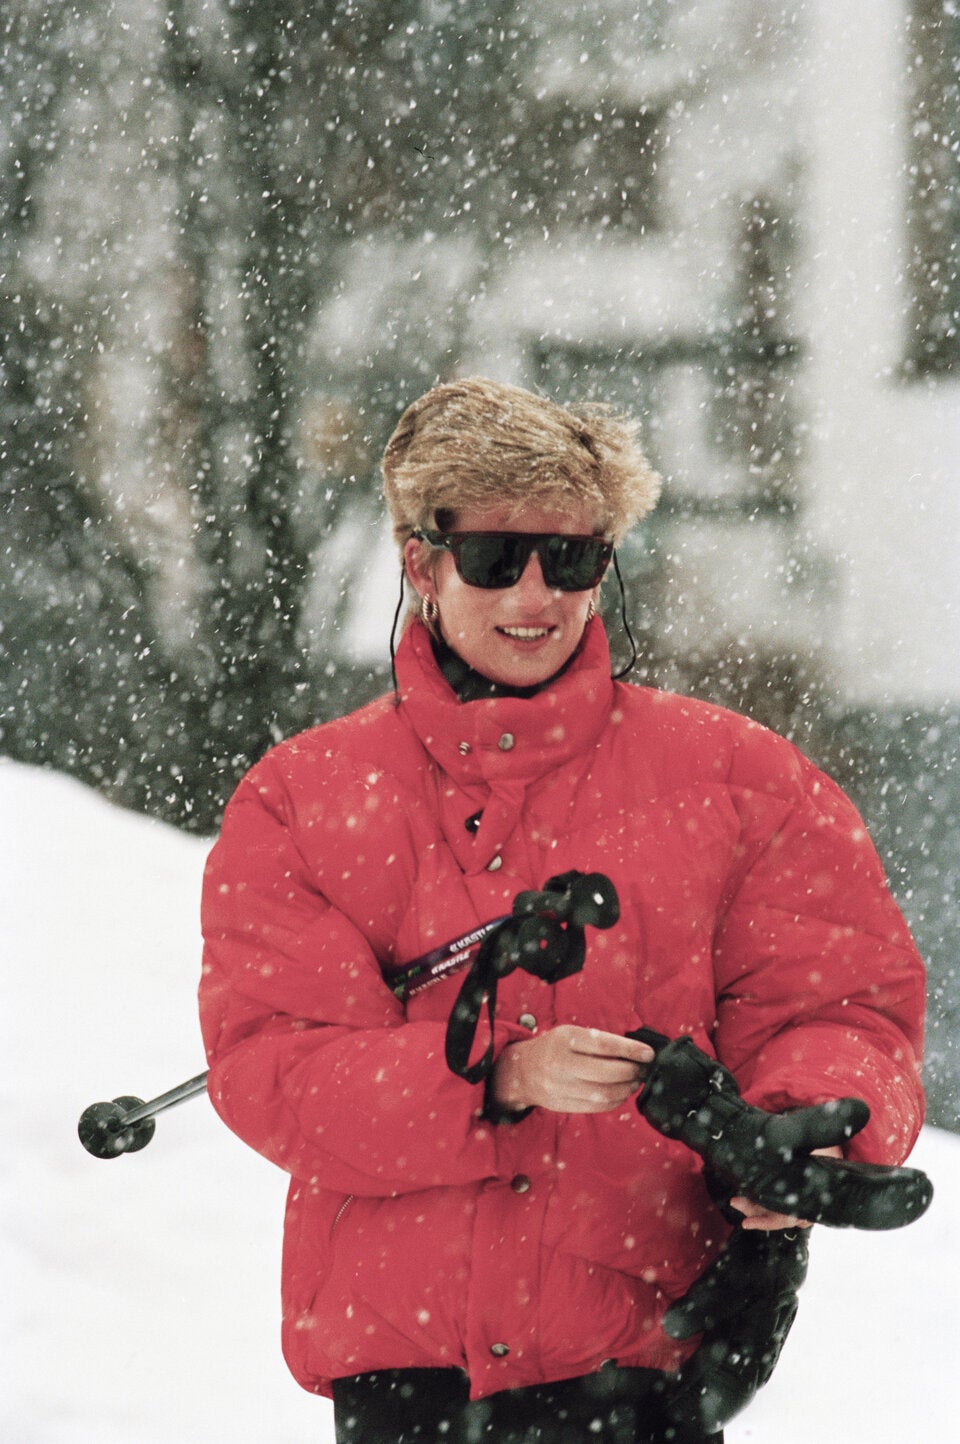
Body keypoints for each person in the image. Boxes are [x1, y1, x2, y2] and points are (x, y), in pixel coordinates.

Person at [198, 377, 926, 1443]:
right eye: (498, 559)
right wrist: (498, 1074)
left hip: (647, 1376)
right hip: (409, 1389)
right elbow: (275, 1070)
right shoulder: (300, 799)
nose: (536, 595)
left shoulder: (743, 777)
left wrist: (790, 1137)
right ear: (421, 562)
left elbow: (843, 1009)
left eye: (573, 558)